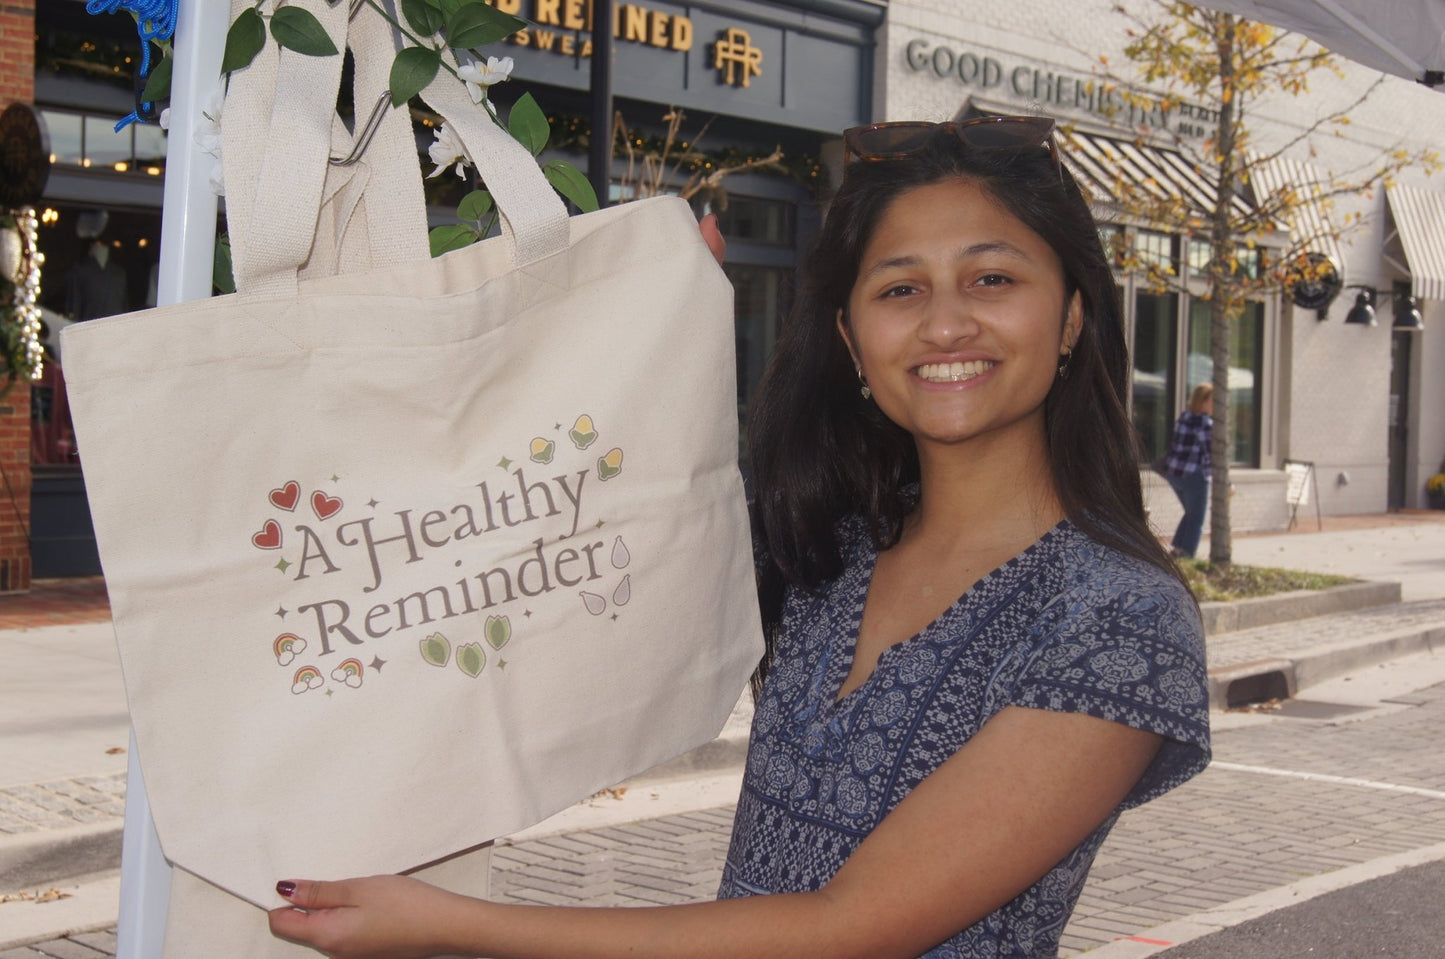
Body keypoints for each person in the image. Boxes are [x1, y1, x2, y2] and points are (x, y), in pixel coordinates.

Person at [268, 115, 1211, 959]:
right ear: (848, 337)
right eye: (899, 289)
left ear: (1071, 316)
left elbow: (848, 926)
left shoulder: (1118, 620)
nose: (945, 321)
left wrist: (448, 927)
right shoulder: (824, 547)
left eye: (992, 277)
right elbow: (548, 617)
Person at [1163, 382, 1214, 559]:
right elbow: (1211, 454)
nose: (1215, 405)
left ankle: (1177, 548)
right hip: (1194, 476)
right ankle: (1187, 554)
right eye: (1212, 401)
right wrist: (1224, 482)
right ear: (1202, 402)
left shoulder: (1184, 418)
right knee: (1196, 517)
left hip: (1174, 474)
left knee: (1190, 513)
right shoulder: (1206, 423)